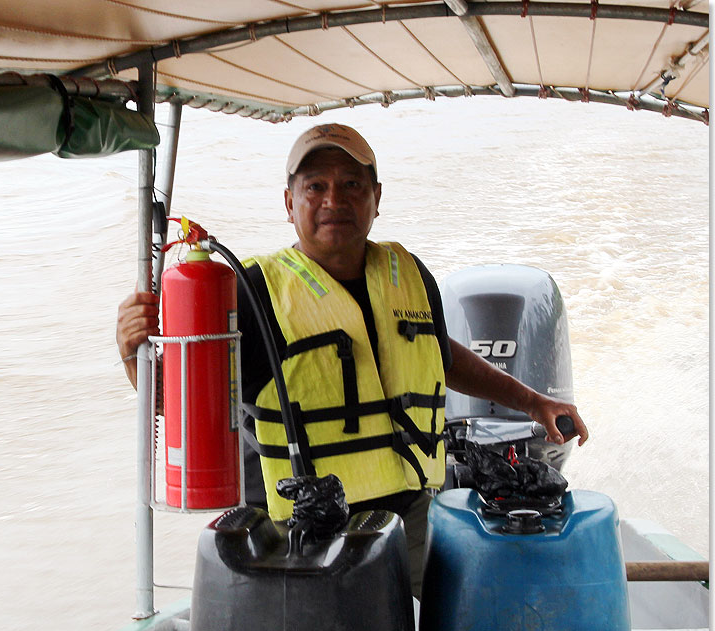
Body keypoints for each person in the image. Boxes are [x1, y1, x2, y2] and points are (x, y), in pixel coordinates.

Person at [116, 123, 589, 597]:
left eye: (352, 185)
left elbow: (438, 355)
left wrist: (532, 402)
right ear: (289, 203)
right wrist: (131, 355)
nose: (333, 200)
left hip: (409, 514)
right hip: (303, 531)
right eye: (315, 186)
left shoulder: (410, 275)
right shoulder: (254, 292)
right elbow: (185, 405)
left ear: (376, 198)